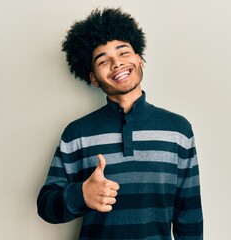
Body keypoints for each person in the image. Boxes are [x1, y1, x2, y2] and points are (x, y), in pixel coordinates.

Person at [37, 7, 203, 240]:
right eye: (103, 60)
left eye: (123, 53)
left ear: (140, 59)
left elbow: (189, 214)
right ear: (93, 77)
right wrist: (81, 195)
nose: (116, 63)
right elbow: (46, 205)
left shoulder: (178, 130)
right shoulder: (77, 134)